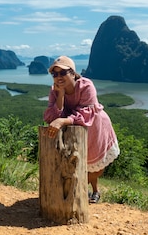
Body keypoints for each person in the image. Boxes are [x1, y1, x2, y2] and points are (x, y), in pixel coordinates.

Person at [43, 56, 120, 204]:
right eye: (55, 74)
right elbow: (51, 116)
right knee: (76, 161)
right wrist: (61, 95)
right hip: (74, 129)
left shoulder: (86, 86)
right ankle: (80, 189)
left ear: (72, 73)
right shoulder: (54, 91)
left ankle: (95, 190)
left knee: (95, 164)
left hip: (96, 126)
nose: (58, 77)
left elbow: (86, 112)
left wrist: (64, 120)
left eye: (62, 73)